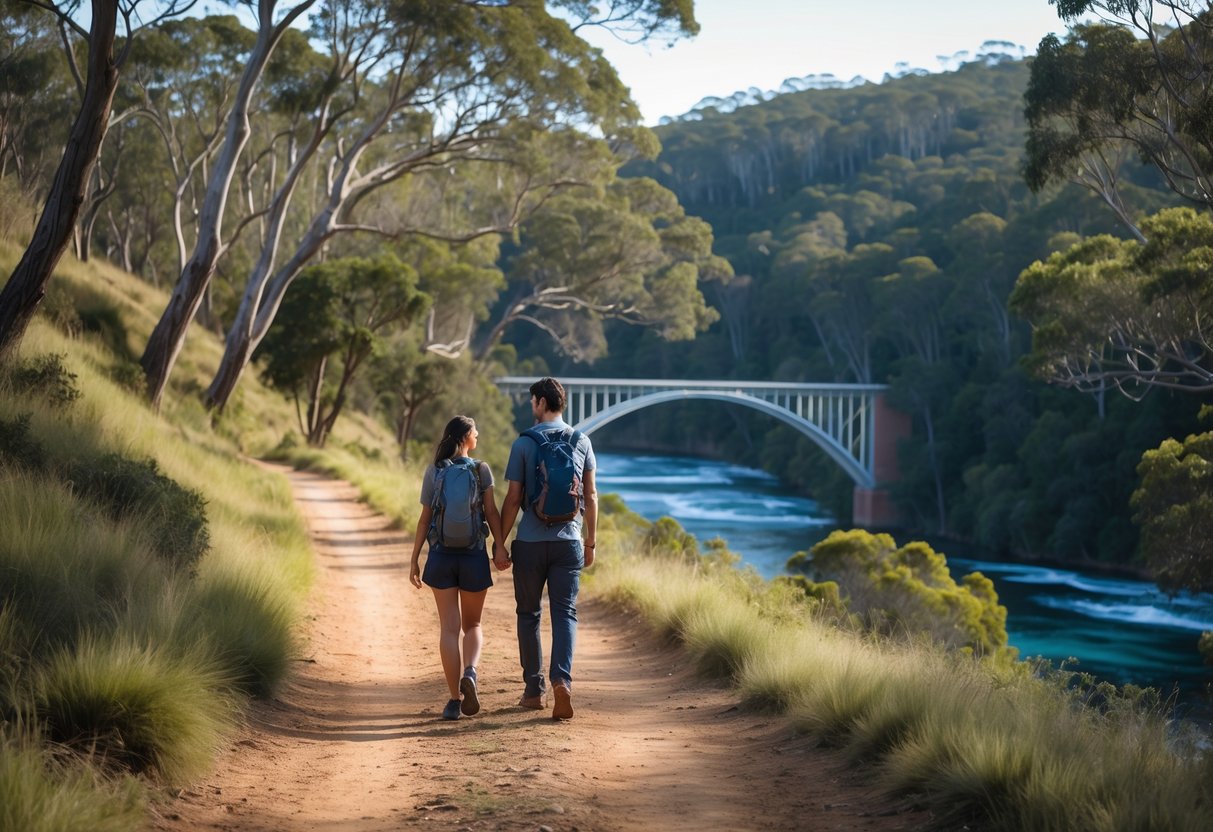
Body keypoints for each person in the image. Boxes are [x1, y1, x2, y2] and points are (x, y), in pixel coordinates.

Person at [496, 377, 597, 720]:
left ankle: (533, 690)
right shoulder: (582, 440)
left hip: (530, 542)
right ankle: (561, 682)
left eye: (532, 402)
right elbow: (591, 496)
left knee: (529, 614)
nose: (531, 407)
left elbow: (512, 498)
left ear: (540, 402)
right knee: (565, 613)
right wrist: (590, 541)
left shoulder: (524, 443)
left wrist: (499, 543)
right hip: (569, 542)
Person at [409, 416, 505, 721]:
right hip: (474, 555)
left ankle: (453, 700)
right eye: (475, 432)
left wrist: (414, 558)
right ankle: (471, 673)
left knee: (449, 629)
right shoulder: (481, 469)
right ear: (466, 437)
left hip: (441, 556)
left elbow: (425, 519)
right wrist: (500, 546)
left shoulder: (434, 471)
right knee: (473, 626)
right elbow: (491, 512)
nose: (478, 435)